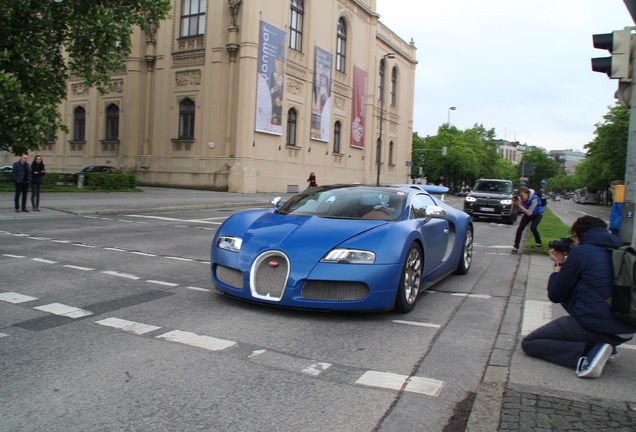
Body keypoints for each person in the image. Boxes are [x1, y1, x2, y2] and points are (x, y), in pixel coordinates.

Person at [521, 216, 636, 378]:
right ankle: (609, 346)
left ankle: (588, 353)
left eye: (574, 238)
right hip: (627, 328)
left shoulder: (582, 252)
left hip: (595, 326)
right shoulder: (622, 251)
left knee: (530, 343)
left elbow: (555, 294)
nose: (573, 242)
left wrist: (559, 264)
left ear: (578, 234)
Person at [511, 186, 544, 254]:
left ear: (527, 194)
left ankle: (538, 242)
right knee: (520, 228)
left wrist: (520, 205)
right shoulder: (522, 199)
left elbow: (529, 213)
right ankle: (516, 247)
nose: (521, 197)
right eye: (520, 195)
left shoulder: (534, 199)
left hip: (537, 214)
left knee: (533, 227)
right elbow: (513, 212)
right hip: (527, 213)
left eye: (522, 195)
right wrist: (514, 202)